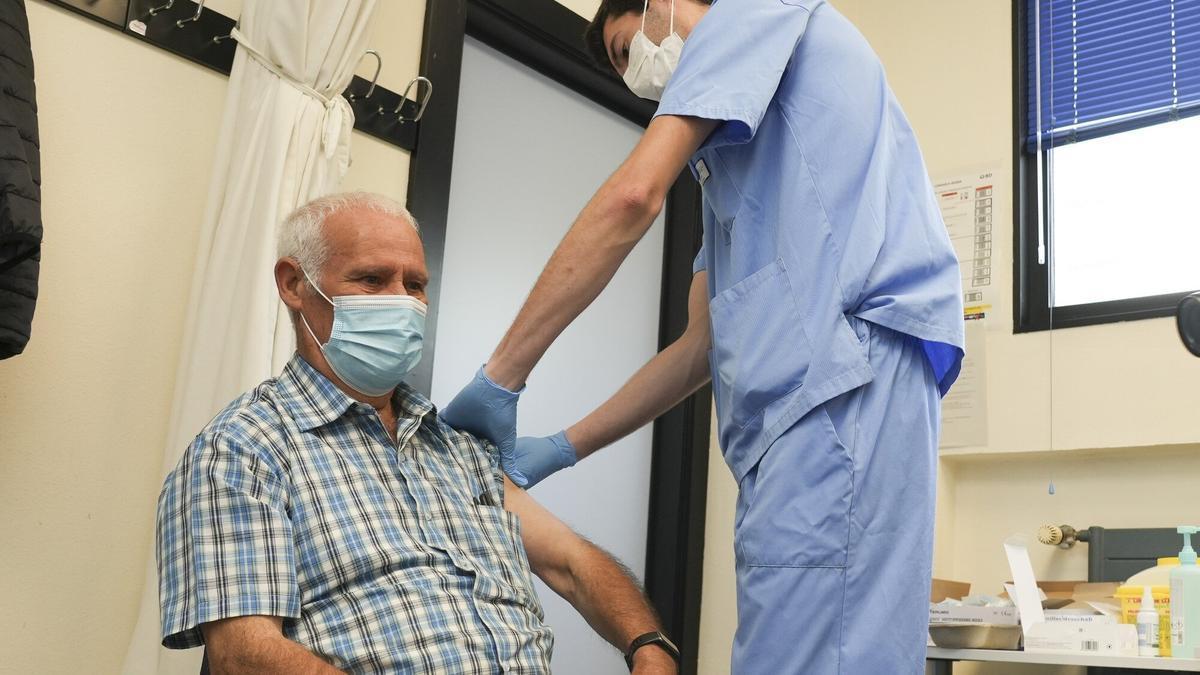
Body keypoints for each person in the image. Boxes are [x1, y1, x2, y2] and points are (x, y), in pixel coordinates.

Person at [439, 1, 965, 673]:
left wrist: (502, 375)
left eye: (628, 50)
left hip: (840, 387)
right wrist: (561, 447)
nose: (635, 79)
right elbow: (697, 347)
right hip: (812, 412)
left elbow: (633, 196)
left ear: (660, 4)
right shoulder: (730, 161)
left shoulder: (748, 14)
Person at [156, 192, 679, 674]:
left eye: (415, 285)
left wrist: (649, 645)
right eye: (371, 279)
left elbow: (571, 561)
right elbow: (245, 655)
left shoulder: (456, 447)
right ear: (294, 284)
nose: (402, 302)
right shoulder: (243, 450)